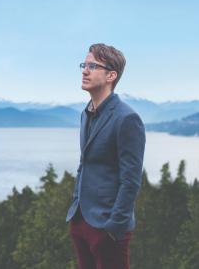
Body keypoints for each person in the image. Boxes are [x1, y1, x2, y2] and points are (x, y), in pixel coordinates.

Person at [66, 43, 146, 269]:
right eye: (84, 64)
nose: (84, 70)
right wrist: (75, 210)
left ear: (111, 75)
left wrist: (114, 227)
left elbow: (131, 180)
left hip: (107, 228)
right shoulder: (87, 112)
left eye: (92, 65)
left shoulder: (127, 119)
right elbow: (85, 164)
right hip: (81, 220)